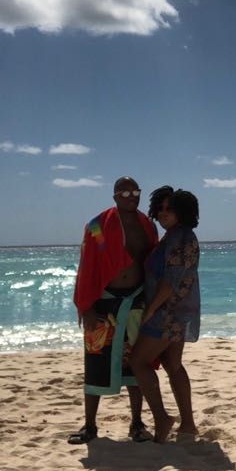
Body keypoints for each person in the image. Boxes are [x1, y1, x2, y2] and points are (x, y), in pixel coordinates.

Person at [68, 176, 159, 444]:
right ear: (115, 196)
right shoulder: (97, 225)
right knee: (95, 361)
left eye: (136, 192)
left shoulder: (147, 225)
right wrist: (86, 306)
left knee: (136, 364)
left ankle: (137, 424)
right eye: (125, 193)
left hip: (136, 299)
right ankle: (89, 425)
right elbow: (87, 265)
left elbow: (153, 265)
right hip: (104, 301)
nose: (132, 197)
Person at [129, 186, 201, 443]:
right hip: (178, 312)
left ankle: (161, 418)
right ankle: (188, 425)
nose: (163, 212)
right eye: (159, 208)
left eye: (169, 208)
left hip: (167, 312)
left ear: (183, 211)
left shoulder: (180, 237)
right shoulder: (174, 236)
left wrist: (150, 310)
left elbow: (171, 280)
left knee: (138, 361)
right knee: (172, 364)